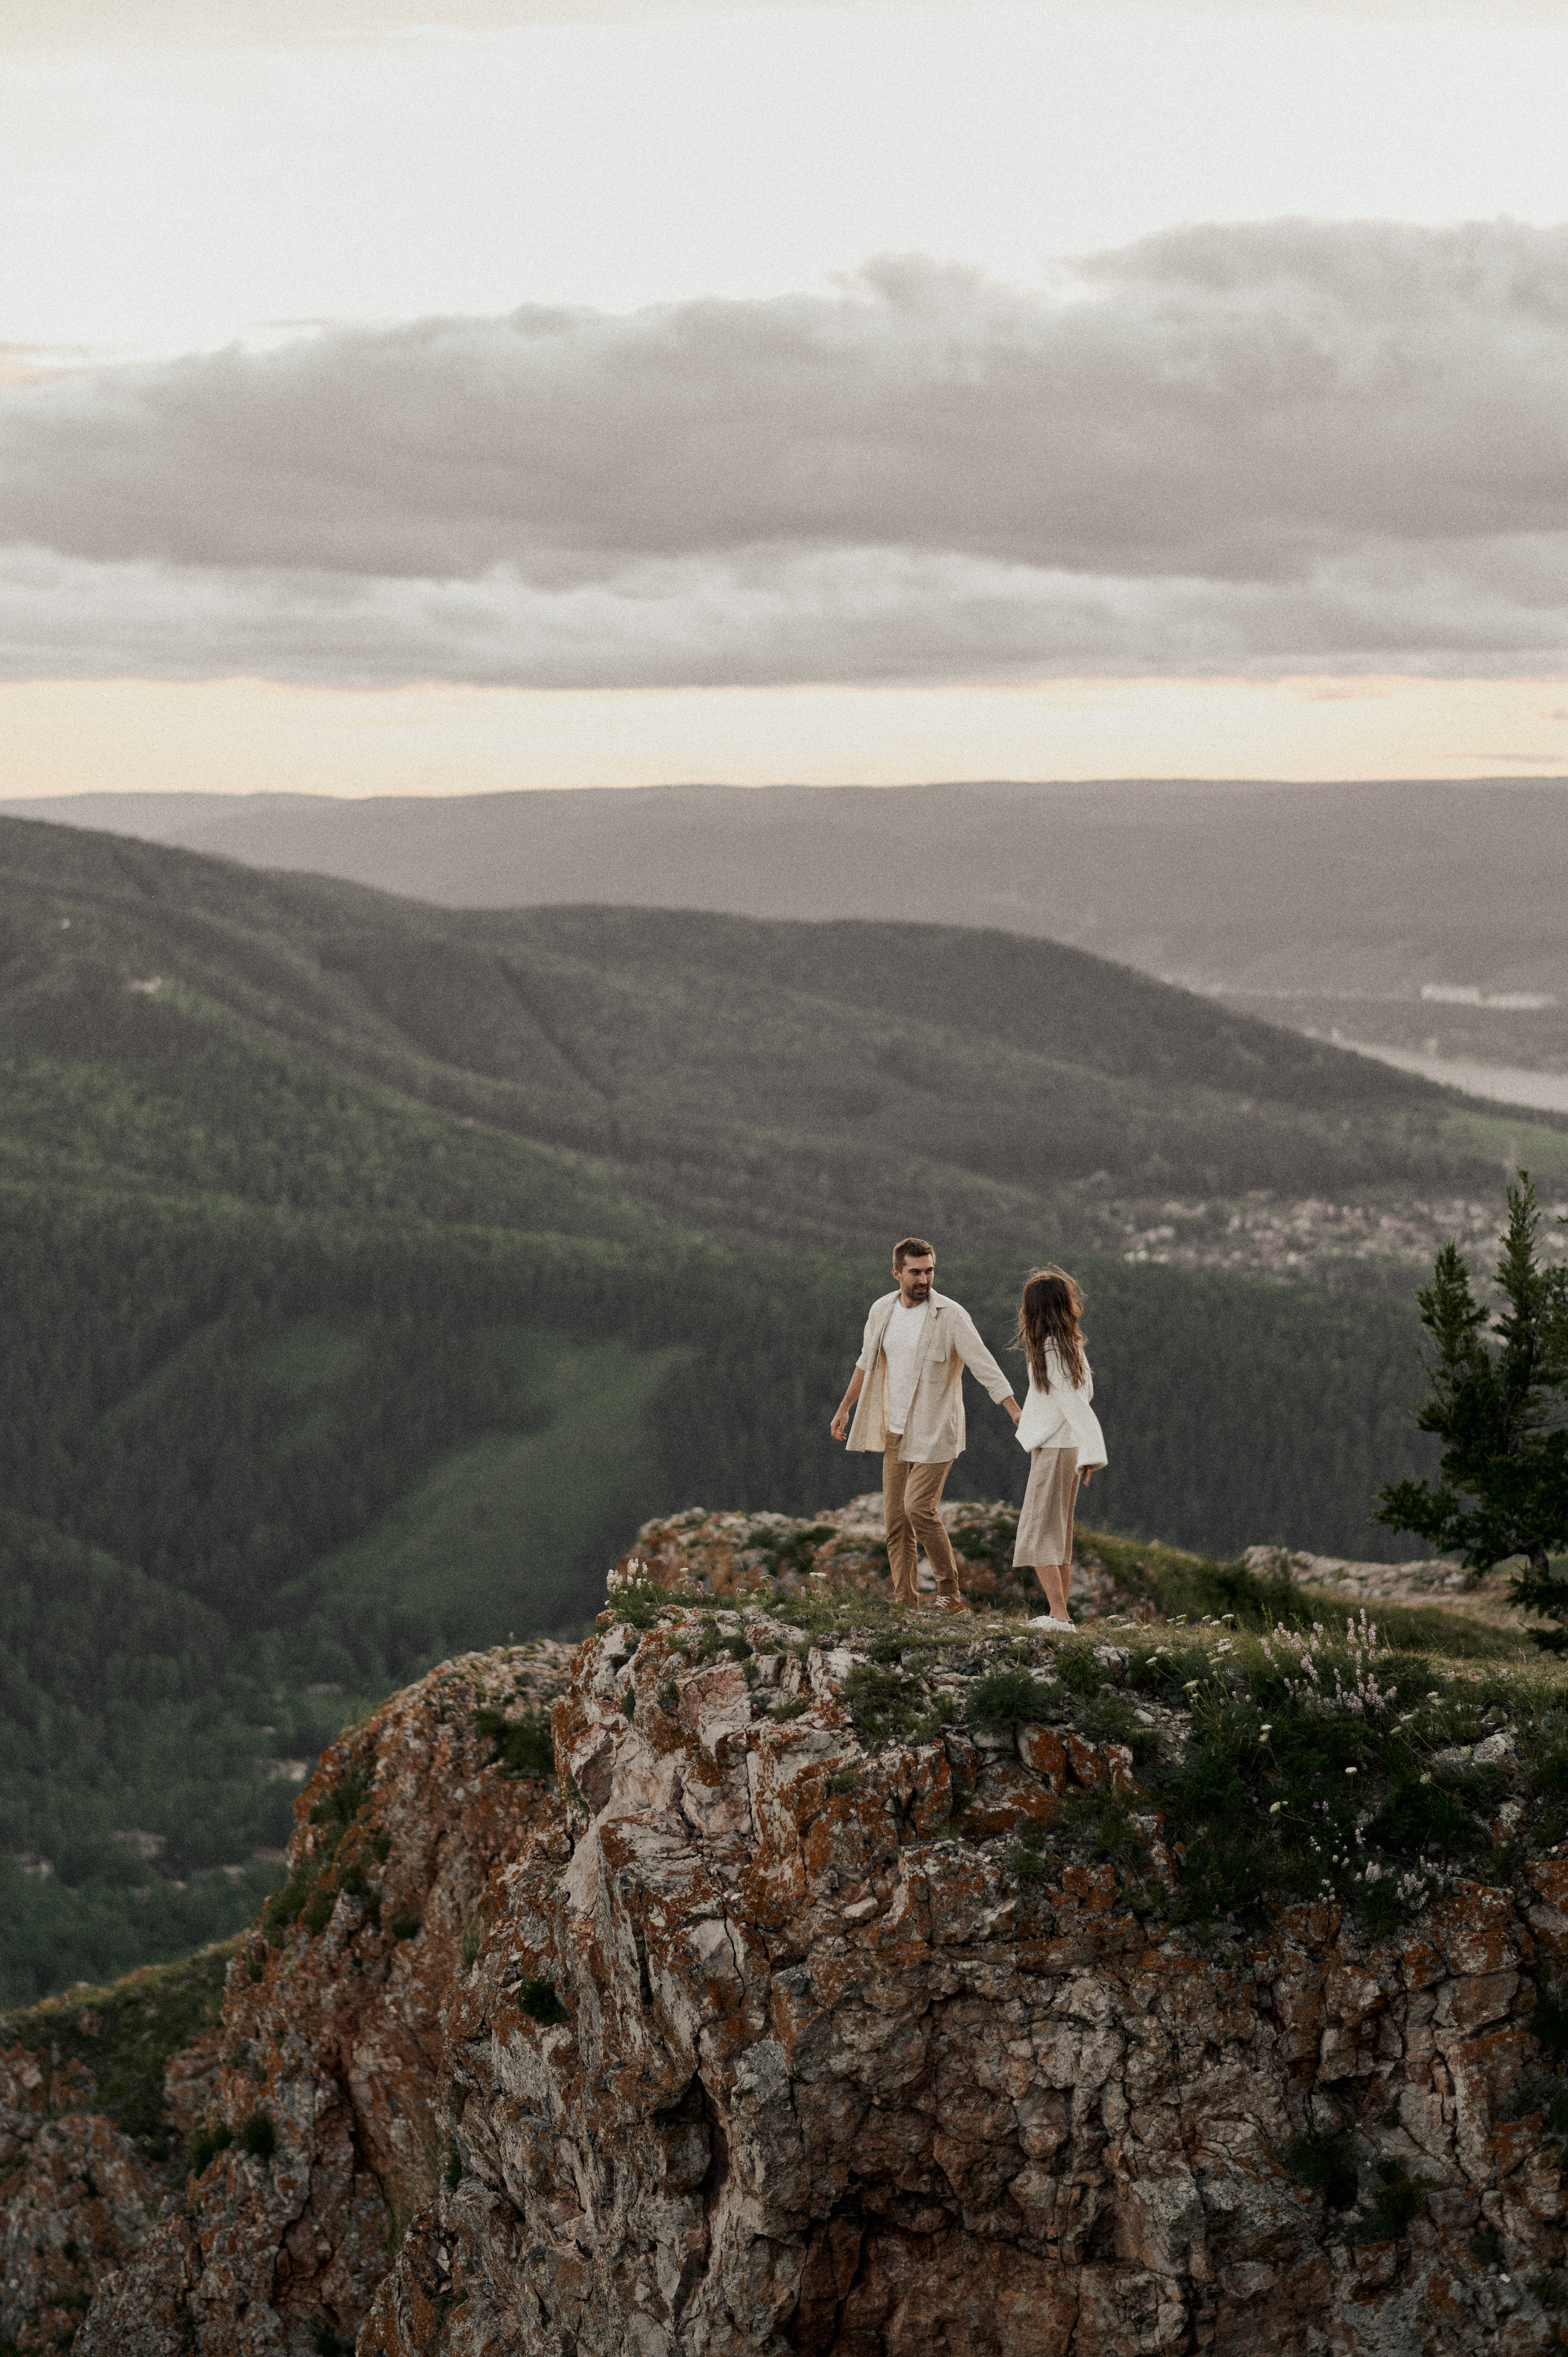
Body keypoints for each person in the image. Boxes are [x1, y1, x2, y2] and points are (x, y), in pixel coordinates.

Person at [831, 1237, 1021, 1612]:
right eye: (915, 1272)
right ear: (897, 1272)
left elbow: (986, 1367)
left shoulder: (951, 1316)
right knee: (895, 1523)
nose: (924, 1279)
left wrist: (1014, 1410)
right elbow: (865, 1363)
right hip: (895, 1431)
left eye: (929, 1270)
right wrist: (844, 1408)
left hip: (936, 1431)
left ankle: (950, 1594)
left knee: (919, 1508)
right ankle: (905, 1604)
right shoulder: (882, 1311)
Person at [1012, 1265, 1107, 1632]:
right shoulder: (1071, 1347)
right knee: (1058, 1537)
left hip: (1055, 1451)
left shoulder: (1051, 1350)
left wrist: (1092, 1453)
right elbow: (1078, 1398)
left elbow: (1074, 1404)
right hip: (1066, 1448)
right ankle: (1058, 1615)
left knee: (1038, 1536)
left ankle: (1061, 1617)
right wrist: (1083, 1452)